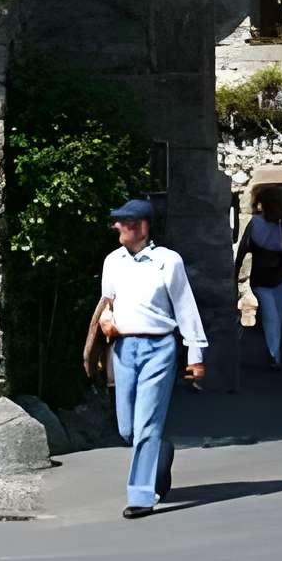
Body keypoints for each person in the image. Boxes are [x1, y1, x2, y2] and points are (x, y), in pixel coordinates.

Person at [93, 197, 206, 518]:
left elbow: (185, 308)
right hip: (123, 348)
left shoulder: (167, 261)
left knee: (146, 425)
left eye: (124, 222)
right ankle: (160, 449)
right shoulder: (113, 261)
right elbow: (107, 303)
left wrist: (195, 355)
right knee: (127, 428)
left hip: (159, 348)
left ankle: (142, 496)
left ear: (142, 227)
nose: (116, 226)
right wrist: (106, 320)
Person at [237, 186, 282, 370]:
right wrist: (235, 273)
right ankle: (275, 355)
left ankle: (273, 350)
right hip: (262, 279)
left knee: (276, 316)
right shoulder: (255, 224)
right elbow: (243, 248)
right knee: (271, 314)